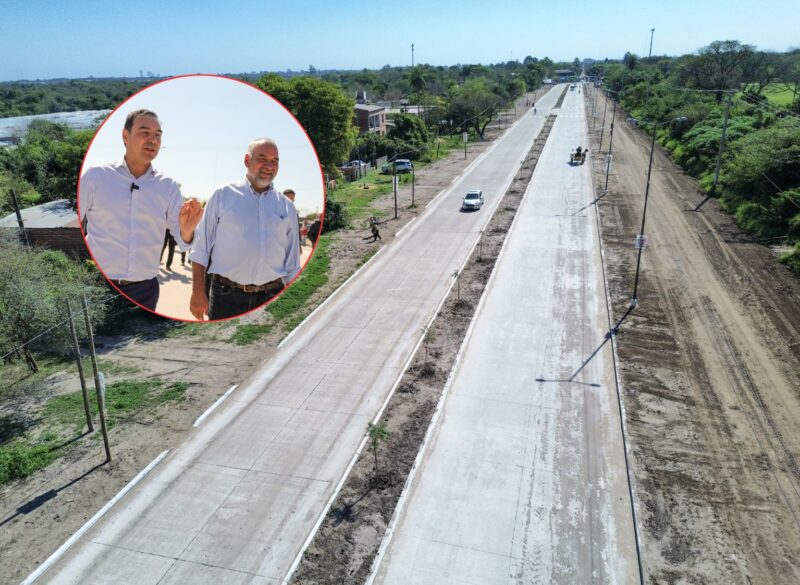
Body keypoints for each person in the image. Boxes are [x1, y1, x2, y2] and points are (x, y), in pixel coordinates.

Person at [79, 109, 203, 311]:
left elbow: (182, 240)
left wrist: (188, 229)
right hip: (98, 286)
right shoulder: (95, 177)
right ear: (125, 136)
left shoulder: (168, 187)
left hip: (145, 290)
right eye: (144, 133)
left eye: (157, 135)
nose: (152, 140)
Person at [189, 138, 301, 321]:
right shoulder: (223, 195)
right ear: (247, 160)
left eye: (275, 161)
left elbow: (292, 265)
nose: (269, 165)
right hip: (226, 297)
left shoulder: (286, 207)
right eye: (262, 158)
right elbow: (200, 248)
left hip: (271, 296)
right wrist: (197, 293)